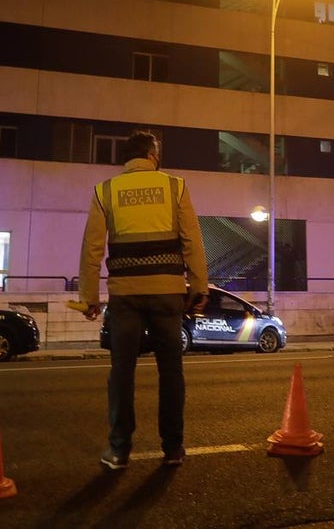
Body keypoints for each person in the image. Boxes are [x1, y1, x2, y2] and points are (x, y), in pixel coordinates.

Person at [77, 130, 209, 471]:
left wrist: (89, 296)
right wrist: (198, 286)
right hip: (167, 292)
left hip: (125, 296)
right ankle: (173, 448)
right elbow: (192, 239)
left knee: (122, 370)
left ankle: (119, 449)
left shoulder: (105, 190)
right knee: (171, 370)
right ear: (152, 155)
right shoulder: (174, 186)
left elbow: (92, 247)